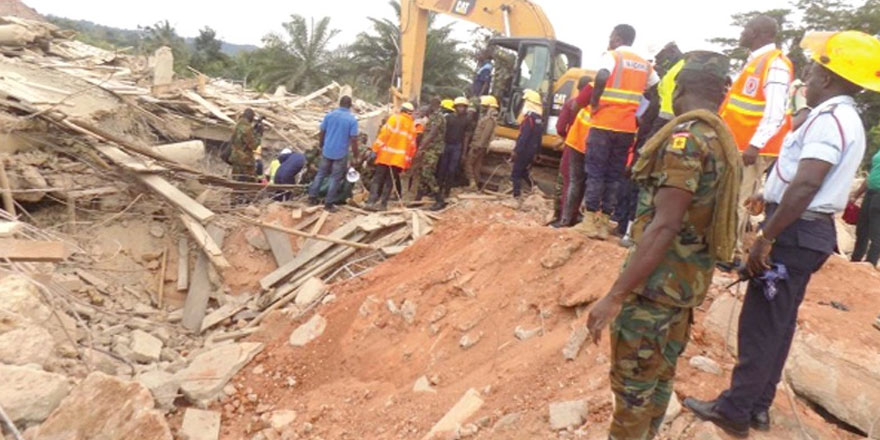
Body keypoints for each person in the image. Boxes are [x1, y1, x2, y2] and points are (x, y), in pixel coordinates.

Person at [684, 30, 880, 438]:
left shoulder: (829, 120)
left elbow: (808, 185)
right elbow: (801, 179)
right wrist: (768, 193)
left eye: (811, 68)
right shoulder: (846, 119)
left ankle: (735, 410)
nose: (805, 76)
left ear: (829, 76)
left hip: (793, 234)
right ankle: (757, 407)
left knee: (760, 325)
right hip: (805, 231)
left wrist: (766, 237)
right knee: (779, 323)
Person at [584, 51, 739, 440]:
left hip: (655, 288)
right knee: (659, 381)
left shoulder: (686, 141)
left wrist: (614, 296)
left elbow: (665, 223)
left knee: (633, 392)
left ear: (681, 87)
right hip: (683, 289)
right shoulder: (720, 139)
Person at [720, 15, 794, 265]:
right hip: (741, 144)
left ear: (758, 32)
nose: (742, 32)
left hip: (751, 148)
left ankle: (729, 252)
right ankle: (728, 248)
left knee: (739, 199)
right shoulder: (756, 62)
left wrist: (755, 144)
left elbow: (774, 112)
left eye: (746, 28)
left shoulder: (775, 64)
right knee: (734, 196)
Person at [582, 24, 660, 240]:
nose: (609, 39)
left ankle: (589, 220)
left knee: (596, 171)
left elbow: (601, 77)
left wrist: (595, 102)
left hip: (604, 124)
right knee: (614, 175)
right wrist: (644, 119)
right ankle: (605, 221)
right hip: (626, 128)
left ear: (617, 37)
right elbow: (657, 94)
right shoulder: (645, 65)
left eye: (611, 36)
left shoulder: (613, 56)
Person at [553, 76, 594, 227]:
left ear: (578, 88)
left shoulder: (571, 104)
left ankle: (563, 217)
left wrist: (565, 136)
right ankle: (575, 215)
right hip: (591, 147)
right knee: (582, 182)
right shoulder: (596, 107)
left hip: (573, 144)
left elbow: (560, 127)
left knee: (568, 181)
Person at [309, 96, 360, 212]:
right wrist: (356, 155)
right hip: (341, 153)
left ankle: (312, 197)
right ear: (350, 106)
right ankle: (328, 203)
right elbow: (354, 139)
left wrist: (321, 145)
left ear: (339, 103)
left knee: (320, 174)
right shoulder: (352, 120)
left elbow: (322, 132)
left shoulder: (329, 115)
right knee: (335, 178)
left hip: (327, 150)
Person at [367, 102, 418, 211]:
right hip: (398, 160)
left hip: (385, 156)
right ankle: (383, 205)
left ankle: (371, 202)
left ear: (401, 110)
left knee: (378, 179)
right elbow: (412, 148)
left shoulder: (394, 119)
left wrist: (375, 149)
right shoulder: (412, 127)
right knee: (390, 181)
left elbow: (383, 136)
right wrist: (407, 163)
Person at [410, 97, 447, 210]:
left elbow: (432, 134)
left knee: (427, 173)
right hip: (429, 149)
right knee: (422, 172)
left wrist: (421, 148)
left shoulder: (437, 117)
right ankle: (418, 198)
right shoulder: (434, 117)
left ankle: (439, 199)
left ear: (434, 105)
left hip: (433, 149)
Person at [510, 89, 544, 200]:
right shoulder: (539, 120)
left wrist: (516, 151)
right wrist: (537, 153)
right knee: (524, 171)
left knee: (515, 174)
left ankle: (517, 196)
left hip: (524, 150)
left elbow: (523, 137)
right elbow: (539, 138)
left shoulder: (529, 119)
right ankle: (535, 187)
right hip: (532, 151)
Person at [438, 97, 475, 197]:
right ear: (455, 107)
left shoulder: (467, 120)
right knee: (442, 168)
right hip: (446, 144)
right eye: (459, 106)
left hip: (457, 146)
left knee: (451, 169)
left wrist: (463, 153)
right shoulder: (448, 118)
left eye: (463, 107)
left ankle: (447, 191)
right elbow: (442, 132)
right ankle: (439, 189)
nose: (461, 108)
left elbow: (466, 137)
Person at [851, 148, 880, 266]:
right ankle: (855, 259)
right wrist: (856, 194)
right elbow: (872, 173)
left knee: (876, 229)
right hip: (870, 191)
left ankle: (871, 262)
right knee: (862, 227)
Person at [465, 95, 499, 191]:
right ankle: (476, 186)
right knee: (477, 166)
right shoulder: (489, 118)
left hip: (478, 145)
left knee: (468, 164)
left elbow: (485, 134)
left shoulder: (489, 119)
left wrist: (478, 145)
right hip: (481, 146)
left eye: (484, 106)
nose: (482, 107)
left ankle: (472, 183)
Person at [229, 108, 259, 182]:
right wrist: (258, 135)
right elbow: (254, 146)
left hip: (235, 157)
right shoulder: (247, 129)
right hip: (245, 161)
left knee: (235, 181)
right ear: (250, 117)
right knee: (250, 183)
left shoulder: (236, 126)